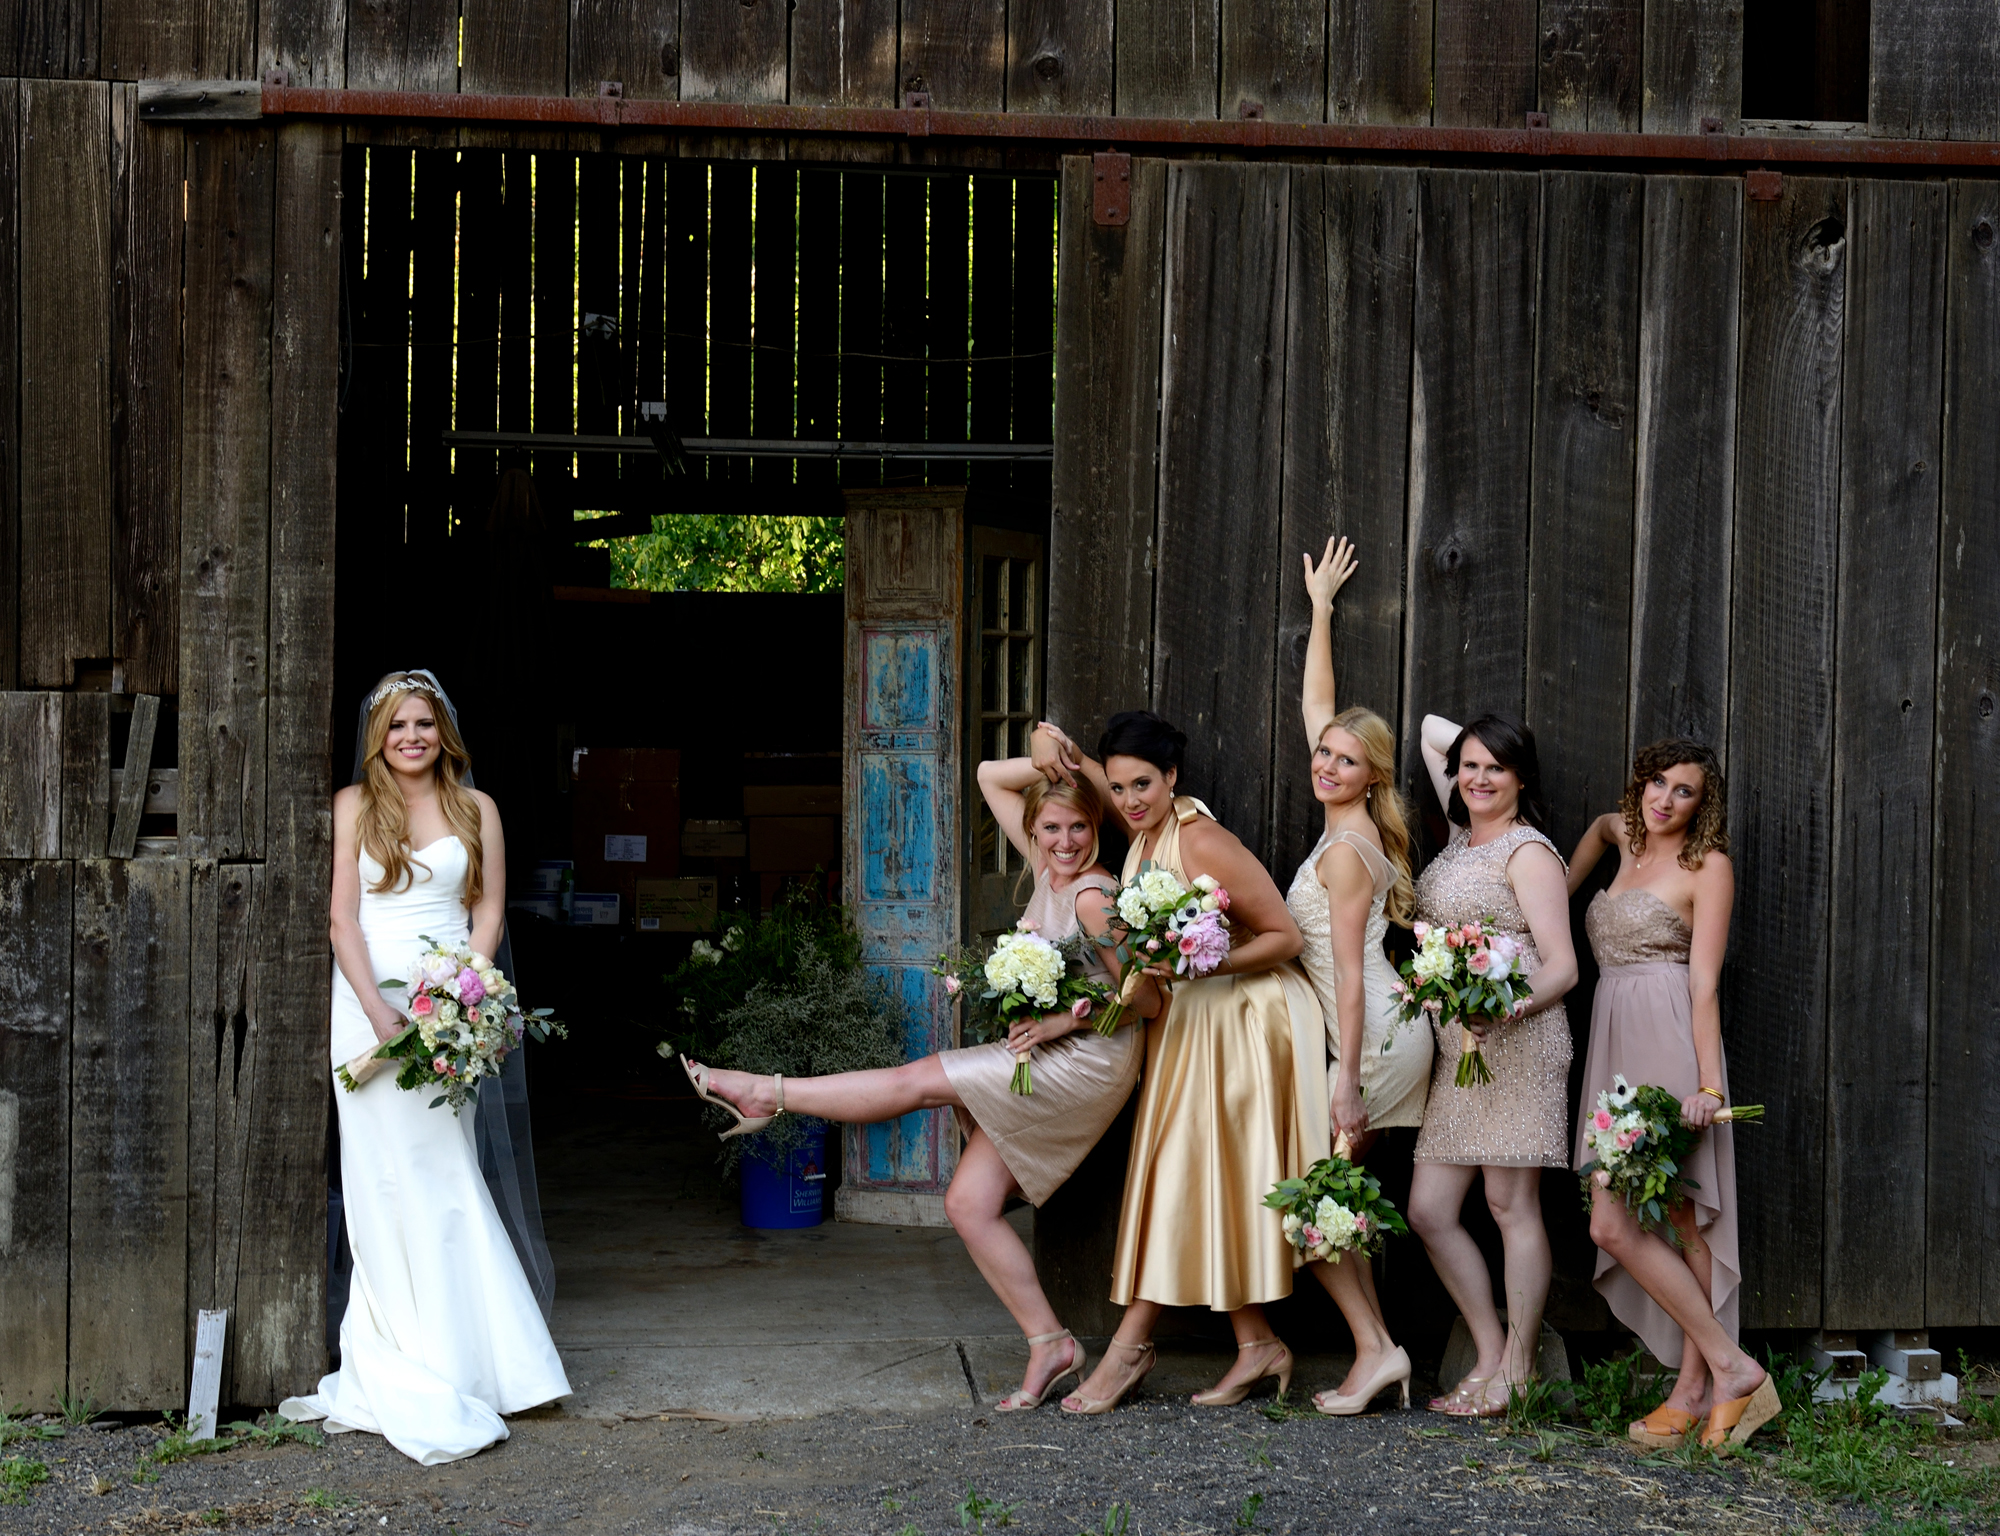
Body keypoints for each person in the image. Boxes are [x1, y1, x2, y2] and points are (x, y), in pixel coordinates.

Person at [684, 762, 1153, 1412]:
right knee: (968, 1204)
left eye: (1079, 826)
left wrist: (1052, 1023)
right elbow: (990, 776)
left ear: (1094, 827)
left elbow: (1146, 999)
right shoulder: (1049, 871)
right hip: (1044, 1049)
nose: (1066, 841)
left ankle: (768, 1094)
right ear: (1034, 828)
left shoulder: (1093, 896)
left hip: (1089, 1057)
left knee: (918, 1080)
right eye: (1051, 826)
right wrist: (1057, 759)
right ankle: (1052, 1343)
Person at [282, 671, 570, 1464]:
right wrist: (380, 1013)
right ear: (378, 735)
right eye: (397, 724)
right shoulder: (352, 806)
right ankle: (401, 1351)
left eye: (424, 723)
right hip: (365, 1007)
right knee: (380, 1183)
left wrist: (458, 1000)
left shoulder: (479, 812)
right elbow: (342, 919)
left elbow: (489, 914)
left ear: (444, 731)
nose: (412, 736)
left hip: (446, 1008)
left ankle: (478, 1363)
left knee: (446, 1173)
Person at [1033, 711, 1327, 1415]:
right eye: (1118, 787)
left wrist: (1200, 963)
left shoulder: (1201, 840)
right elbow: (1029, 773)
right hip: (1187, 1024)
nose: (1129, 799)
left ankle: (1130, 1348)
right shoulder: (1142, 830)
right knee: (1197, 1180)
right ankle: (1256, 1343)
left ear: (1172, 778)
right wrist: (1057, 748)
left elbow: (1285, 936)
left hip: (1237, 1022)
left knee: (1181, 1174)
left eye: (1143, 783)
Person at [1568, 739, 1775, 1449]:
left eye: (1683, 791)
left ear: (1701, 803)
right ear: (1640, 782)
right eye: (1657, 782)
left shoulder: (1706, 866)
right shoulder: (1612, 835)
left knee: (1679, 1221)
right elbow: (1557, 885)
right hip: (1611, 1042)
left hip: (1667, 1043)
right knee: (1616, 1224)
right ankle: (1726, 1369)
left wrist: (1706, 1085)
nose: (1665, 799)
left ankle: (1698, 1385)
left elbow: (1704, 983)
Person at [1286, 539, 1431, 1414]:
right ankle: (1379, 1352)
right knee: (1330, 1202)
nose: (1326, 762)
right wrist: (1322, 612)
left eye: (1343, 759)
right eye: (1323, 754)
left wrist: (1346, 1085)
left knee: (1315, 1203)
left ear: (1371, 774)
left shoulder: (1347, 850)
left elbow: (1346, 973)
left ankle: (1377, 1349)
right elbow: (1317, 705)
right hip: (1374, 1024)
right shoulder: (1349, 819)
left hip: (1368, 1032)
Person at [1404, 711, 1578, 1417]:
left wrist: (1501, 1009)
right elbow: (1429, 730)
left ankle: (1519, 1370)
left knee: (1510, 1206)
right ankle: (1487, 1352)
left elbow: (1563, 967)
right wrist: (1470, 747)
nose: (1477, 778)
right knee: (1429, 1209)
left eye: (1495, 768)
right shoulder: (1454, 844)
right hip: (1461, 1049)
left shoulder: (1527, 852)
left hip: (1521, 1041)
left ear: (1521, 778)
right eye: (1468, 766)